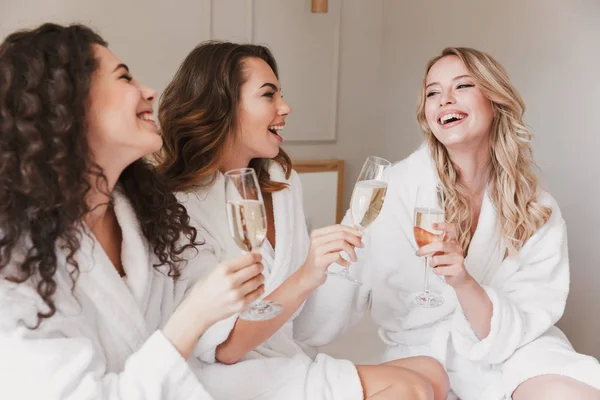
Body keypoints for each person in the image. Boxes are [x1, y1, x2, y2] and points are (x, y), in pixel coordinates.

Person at [299, 46, 600, 400]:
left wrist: (463, 282)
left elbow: (519, 323)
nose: (445, 99)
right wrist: (315, 275)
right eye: (432, 92)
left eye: (462, 86)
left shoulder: (535, 207)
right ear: (426, 114)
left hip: (516, 349)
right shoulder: (392, 191)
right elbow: (329, 306)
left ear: (494, 99)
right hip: (426, 353)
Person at [156, 41, 449, 400]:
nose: (285, 107)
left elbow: (303, 316)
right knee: (411, 388)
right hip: (221, 374)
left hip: (282, 355)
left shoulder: (281, 182)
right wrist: (307, 274)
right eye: (269, 95)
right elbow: (224, 348)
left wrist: (336, 266)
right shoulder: (181, 206)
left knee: (432, 372)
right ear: (222, 107)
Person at [0, 23, 265, 400]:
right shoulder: (14, 261)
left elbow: (217, 341)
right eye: (124, 77)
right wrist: (194, 316)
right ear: (69, 104)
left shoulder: (146, 216)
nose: (149, 91)